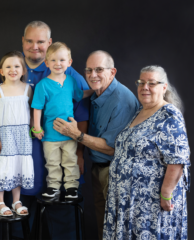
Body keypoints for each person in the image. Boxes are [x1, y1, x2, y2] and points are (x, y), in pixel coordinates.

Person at [0, 21, 90, 239]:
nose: (34, 46)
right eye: (30, 41)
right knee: (20, 218)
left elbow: (81, 113)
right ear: (23, 41)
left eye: (40, 42)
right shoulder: (12, 68)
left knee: (60, 219)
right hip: (21, 154)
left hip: (60, 146)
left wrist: (81, 152)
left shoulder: (66, 70)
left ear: (50, 43)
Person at [53, 50, 139, 240]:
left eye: (99, 70)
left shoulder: (121, 99)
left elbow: (112, 147)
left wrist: (76, 135)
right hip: (98, 168)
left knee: (117, 227)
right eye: (89, 70)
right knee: (104, 224)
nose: (92, 75)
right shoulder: (96, 93)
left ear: (112, 72)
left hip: (117, 172)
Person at [103, 65, 190, 240]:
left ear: (164, 87)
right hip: (128, 202)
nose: (145, 87)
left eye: (152, 83)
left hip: (150, 205)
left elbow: (178, 159)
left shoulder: (169, 115)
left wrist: (166, 193)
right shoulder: (139, 112)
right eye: (141, 82)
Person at [32, 42, 94, 198]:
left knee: (70, 161)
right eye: (53, 60)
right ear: (46, 63)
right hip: (50, 134)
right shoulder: (43, 85)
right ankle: (53, 186)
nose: (57, 64)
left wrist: (94, 91)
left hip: (69, 133)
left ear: (69, 62)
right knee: (52, 162)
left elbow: (79, 95)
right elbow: (37, 108)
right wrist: (37, 127)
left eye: (61, 60)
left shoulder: (71, 82)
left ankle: (72, 186)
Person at [0, 51, 34, 216]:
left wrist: (36, 128)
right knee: (3, 166)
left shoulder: (28, 89)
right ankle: (0, 202)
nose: (12, 69)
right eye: (8, 66)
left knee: (18, 165)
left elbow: (32, 113)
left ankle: (16, 201)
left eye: (17, 66)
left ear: (23, 70)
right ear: (1, 71)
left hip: (22, 134)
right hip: (4, 134)